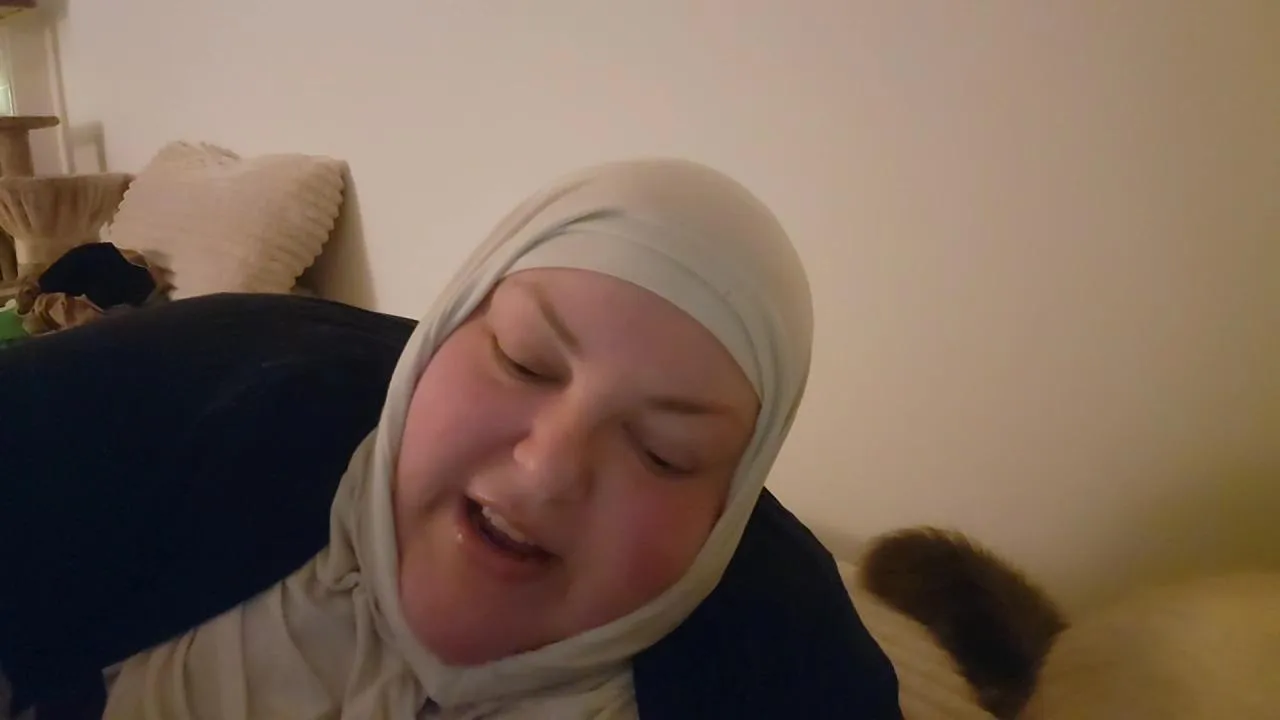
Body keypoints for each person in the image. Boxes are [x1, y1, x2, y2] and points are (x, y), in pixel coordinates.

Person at [93, 158, 859, 718]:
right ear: (433, 343)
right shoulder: (179, 477)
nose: (548, 468)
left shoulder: (784, 672)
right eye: (524, 360)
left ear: (725, 521)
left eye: (663, 451)